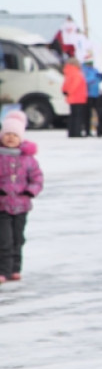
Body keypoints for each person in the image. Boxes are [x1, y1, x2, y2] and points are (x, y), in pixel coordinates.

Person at [0, 110, 43, 284]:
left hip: (21, 205)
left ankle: (15, 268)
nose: (10, 138)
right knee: (4, 239)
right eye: (7, 134)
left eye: (14, 135)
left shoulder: (28, 160)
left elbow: (37, 178)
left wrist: (30, 191)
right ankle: (3, 269)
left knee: (18, 238)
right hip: (2, 206)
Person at [62, 57, 88, 137]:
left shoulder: (68, 72)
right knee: (78, 117)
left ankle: (72, 132)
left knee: (73, 116)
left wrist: (66, 92)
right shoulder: (76, 73)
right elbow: (75, 85)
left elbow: (65, 84)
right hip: (78, 98)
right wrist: (70, 92)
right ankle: (77, 133)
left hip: (72, 98)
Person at [81, 54, 102, 136]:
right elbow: (85, 81)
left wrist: (101, 77)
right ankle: (87, 131)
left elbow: (97, 80)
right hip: (88, 95)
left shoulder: (94, 69)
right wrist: (95, 77)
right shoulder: (84, 70)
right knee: (87, 114)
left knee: (99, 113)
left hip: (96, 94)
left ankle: (99, 130)